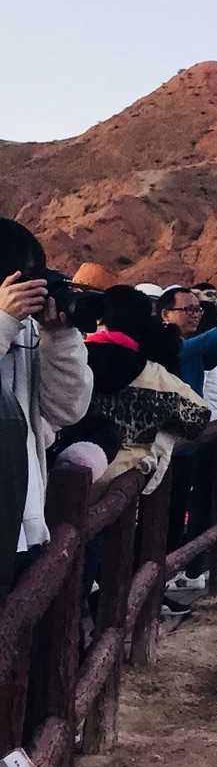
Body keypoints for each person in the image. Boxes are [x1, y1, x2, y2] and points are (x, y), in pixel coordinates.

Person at [0, 220, 96, 594]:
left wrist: (60, 338)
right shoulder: (10, 325)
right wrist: (4, 323)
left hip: (24, 525)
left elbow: (67, 410)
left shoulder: (27, 330)